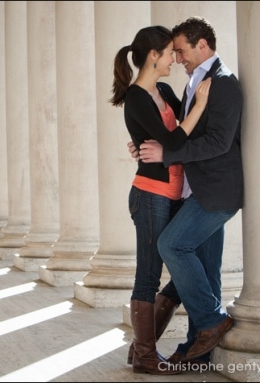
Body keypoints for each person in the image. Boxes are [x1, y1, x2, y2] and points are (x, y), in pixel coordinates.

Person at [129, 16, 244, 370]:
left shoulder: (222, 83)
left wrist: (168, 153)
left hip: (215, 192)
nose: (177, 59)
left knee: (171, 245)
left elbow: (217, 142)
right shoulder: (195, 81)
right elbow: (177, 132)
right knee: (208, 272)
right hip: (193, 191)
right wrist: (152, 146)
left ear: (202, 46)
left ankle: (210, 321)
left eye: (181, 51)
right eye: (172, 52)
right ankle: (200, 350)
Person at [109, 25, 211, 375]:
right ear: (154, 56)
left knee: (187, 261)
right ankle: (147, 356)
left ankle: (141, 347)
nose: (174, 58)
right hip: (150, 195)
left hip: (175, 193)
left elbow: (174, 142)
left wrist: (168, 143)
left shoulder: (165, 89)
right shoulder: (136, 97)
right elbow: (173, 139)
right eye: (170, 52)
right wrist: (200, 103)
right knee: (149, 275)